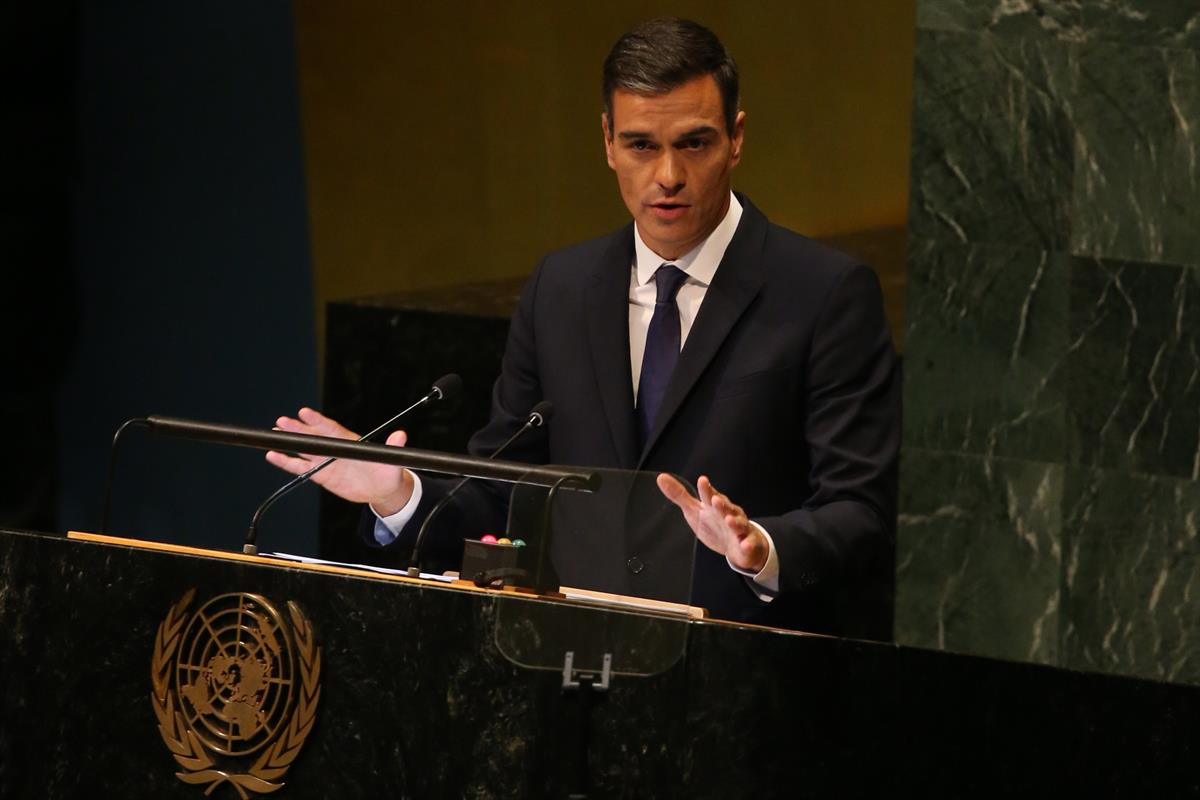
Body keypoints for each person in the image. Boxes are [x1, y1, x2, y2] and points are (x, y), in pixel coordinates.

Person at [268, 18, 900, 638]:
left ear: (736, 138)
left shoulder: (823, 293)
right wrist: (397, 492)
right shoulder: (561, 290)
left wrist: (760, 546)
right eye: (642, 145)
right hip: (574, 679)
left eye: (695, 143)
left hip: (745, 685)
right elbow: (504, 491)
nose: (669, 176)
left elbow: (860, 511)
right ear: (606, 141)